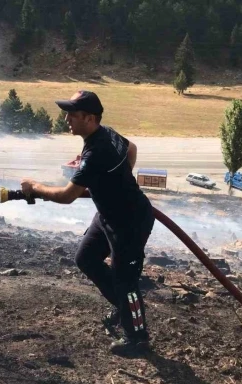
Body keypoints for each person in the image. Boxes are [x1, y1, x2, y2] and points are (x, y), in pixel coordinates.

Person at [19, 90, 155, 355]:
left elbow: (67, 195)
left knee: (125, 281)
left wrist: (35, 187)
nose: (67, 118)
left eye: (72, 114)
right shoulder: (106, 134)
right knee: (86, 258)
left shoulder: (95, 152)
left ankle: (138, 339)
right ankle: (125, 307)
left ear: (90, 118)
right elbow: (132, 149)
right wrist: (116, 183)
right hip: (108, 216)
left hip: (130, 221)